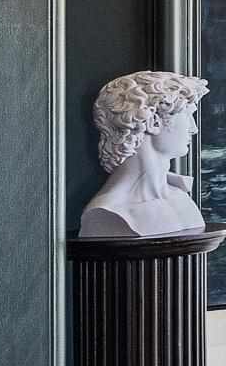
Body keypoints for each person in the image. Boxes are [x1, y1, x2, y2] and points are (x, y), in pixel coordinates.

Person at [80, 70, 211, 239]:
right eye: (187, 115)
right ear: (153, 122)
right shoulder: (109, 212)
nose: (194, 128)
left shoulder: (179, 197)